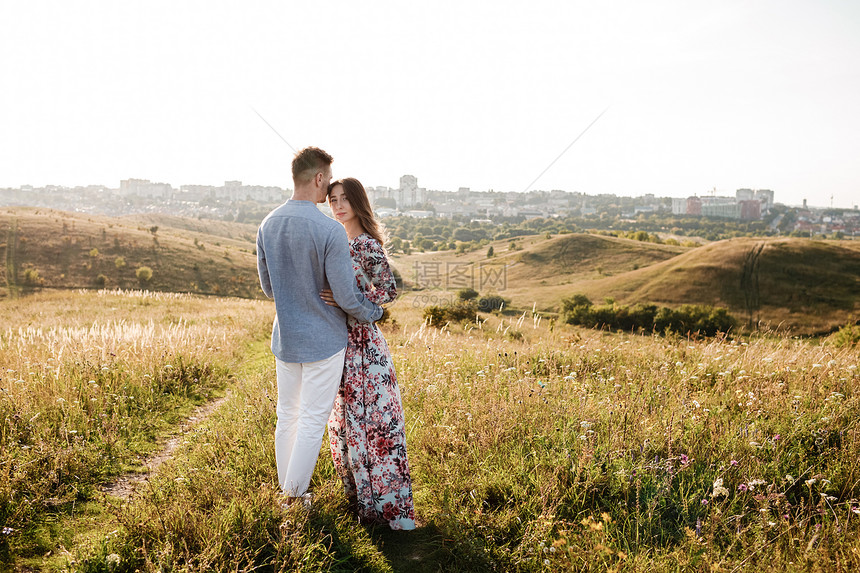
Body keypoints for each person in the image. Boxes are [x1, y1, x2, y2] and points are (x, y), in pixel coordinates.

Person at [256, 148, 383, 506]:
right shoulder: (329, 230)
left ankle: (289, 492)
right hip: (324, 342)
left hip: (286, 338)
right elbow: (346, 296)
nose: (328, 190)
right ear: (317, 179)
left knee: (287, 416)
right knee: (311, 420)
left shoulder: (268, 223)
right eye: (327, 180)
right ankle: (293, 499)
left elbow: (269, 288)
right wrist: (373, 312)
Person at [320, 177, 416, 530]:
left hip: (366, 345)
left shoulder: (367, 245)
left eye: (345, 199)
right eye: (333, 200)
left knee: (375, 422)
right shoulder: (336, 240)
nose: (339, 205)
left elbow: (388, 292)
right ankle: (360, 503)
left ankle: (388, 509)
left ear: (358, 202)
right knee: (347, 422)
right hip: (339, 342)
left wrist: (353, 302)